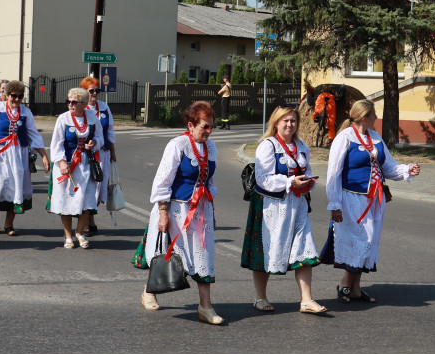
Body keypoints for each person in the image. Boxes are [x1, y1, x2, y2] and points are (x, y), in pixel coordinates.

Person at [320, 99, 420, 303]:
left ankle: (355, 288)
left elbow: (388, 167)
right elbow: (333, 174)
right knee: (358, 241)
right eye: (374, 114)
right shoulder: (345, 138)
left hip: (374, 199)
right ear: (364, 118)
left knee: (370, 240)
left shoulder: (375, 138)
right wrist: (335, 204)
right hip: (351, 198)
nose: (376, 118)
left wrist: (406, 169)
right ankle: (345, 284)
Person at [142, 101, 223, 324]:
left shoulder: (211, 147)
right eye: (204, 126)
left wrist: (212, 210)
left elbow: (210, 181)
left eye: (211, 127)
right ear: (190, 125)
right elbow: (162, 180)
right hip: (177, 208)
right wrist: (163, 212)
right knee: (166, 251)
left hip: (201, 210)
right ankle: (149, 292)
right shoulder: (177, 145)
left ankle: (205, 307)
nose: (208, 131)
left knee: (203, 256)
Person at [242, 106, 325, 314]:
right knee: (267, 250)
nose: (290, 124)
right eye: (285, 121)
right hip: (272, 206)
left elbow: (308, 171)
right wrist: (290, 182)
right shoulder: (268, 146)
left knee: (304, 249)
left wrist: (308, 182)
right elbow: (263, 179)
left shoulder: (301, 145)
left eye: (293, 121)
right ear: (276, 123)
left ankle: (306, 300)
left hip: (297, 206)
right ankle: (260, 298)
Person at [0, 81, 48, 236]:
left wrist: (44, 155)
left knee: (16, 186)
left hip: (19, 154)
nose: (17, 99)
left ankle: (9, 224)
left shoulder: (26, 112)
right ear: (7, 95)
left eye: (20, 96)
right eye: (14, 96)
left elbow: (34, 134)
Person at [47, 88, 103, 249]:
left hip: (86, 164)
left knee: (85, 198)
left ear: (84, 104)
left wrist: (94, 143)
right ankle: (68, 236)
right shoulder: (63, 119)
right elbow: (56, 143)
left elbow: (100, 137)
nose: (70, 104)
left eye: (74, 102)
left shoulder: (92, 118)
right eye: (69, 101)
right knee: (66, 198)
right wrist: (62, 163)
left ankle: (80, 232)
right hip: (68, 163)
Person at [82, 76, 117, 235]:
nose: (94, 93)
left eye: (97, 90)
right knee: (89, 187)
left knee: (99, 187)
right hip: (86, 154)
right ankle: (87, 223)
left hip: (103, 153)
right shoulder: (81, 107)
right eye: (91, 90)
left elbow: (110, 130)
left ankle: (90, 220)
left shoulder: (104, 107)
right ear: (85, 91)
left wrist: (113, 152)